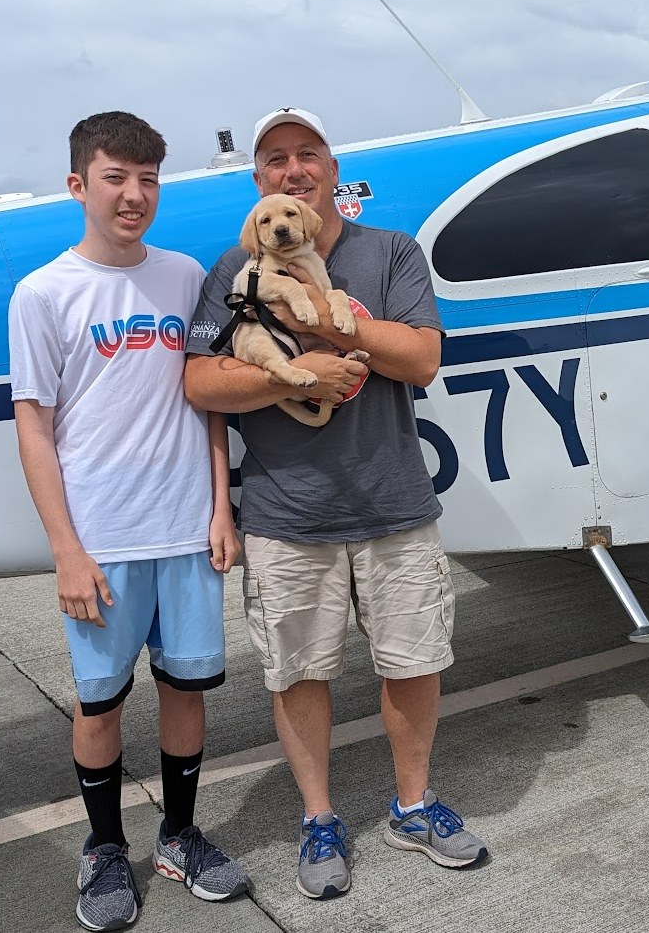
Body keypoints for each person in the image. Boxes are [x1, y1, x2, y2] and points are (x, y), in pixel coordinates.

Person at [184, 107, 487, 900]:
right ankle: (318, 819)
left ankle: (413, 805)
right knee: (296, 673)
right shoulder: (230, 270)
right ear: (258, 188)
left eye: (306, 155)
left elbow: (421, 358)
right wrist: (298, 373)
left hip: (394, 502)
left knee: (414, 662)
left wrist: (333, 328)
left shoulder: (389, 252)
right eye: (275, 162)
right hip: (287, 515)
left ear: (329, 169)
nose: (293, 172)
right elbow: (200, 381)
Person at [8, 111, 249, 932]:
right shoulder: (42, 293)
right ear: (79, 185)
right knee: (100, 706)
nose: (134, 194)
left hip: (187, 531)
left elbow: (211, 397)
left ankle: (178, 837)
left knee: (187, 693)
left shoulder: (185, 276)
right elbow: (33, 429)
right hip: (102, 545)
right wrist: (66, 552)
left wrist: (222, 504)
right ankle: (105, 848)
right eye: (116, 177)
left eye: (148, 178)